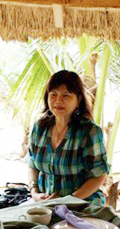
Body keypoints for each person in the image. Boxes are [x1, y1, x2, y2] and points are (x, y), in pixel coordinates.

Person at [27, 70, 110, 205]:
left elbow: (99, 175)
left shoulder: (89, 131)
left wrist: (68, 200)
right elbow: (32, 165)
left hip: (82, 204)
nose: (58, 100)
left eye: (66, 95)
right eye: (53, 94)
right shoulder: (39, 128)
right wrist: (35, 193)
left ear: (78, 100)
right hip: (44, 204)